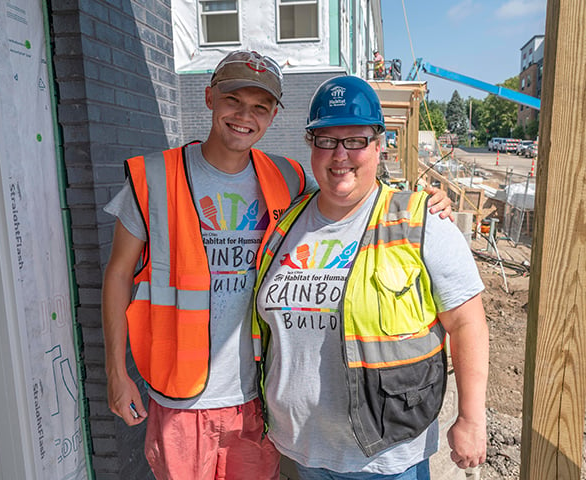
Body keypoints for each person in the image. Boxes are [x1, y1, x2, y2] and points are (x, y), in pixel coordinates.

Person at [102, 50, 453, 480]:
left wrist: (420, 201)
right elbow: (118, 275)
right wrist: (116, 373)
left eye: (260, 107)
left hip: (257, 398)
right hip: (181, 396)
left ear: (272, 116)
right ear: (210, 97)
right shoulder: (154, 177)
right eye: (233, 100)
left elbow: (349, 182)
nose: (244, 115)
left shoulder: (287, 179)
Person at [252, 75, 489, 480]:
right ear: (311, 146)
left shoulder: (421, 221)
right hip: (301, 449)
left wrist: (471, 417)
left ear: (379, 146)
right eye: (326, 139)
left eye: (356, 140)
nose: (339, 154)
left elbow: (467, 321)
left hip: (385, 456)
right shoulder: (285, 222)